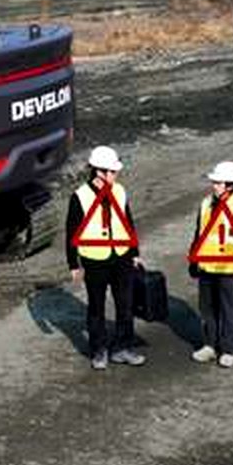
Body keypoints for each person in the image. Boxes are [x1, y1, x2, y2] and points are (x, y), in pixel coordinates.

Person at [66, 145, 145, 370]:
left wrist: (135, 252)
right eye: (113, 171)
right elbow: (72, 232)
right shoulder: (79, 197)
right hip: (95, 260)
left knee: (125, 305)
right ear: (99, 171)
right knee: (96, 308)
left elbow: (128, 222)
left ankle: (122, 348)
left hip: (121, 256)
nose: (116, 175)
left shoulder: (119, 191)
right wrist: (73, 264)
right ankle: (98, 350)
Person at [188, 161, 233, 367]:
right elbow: (199, 232)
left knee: (228, 308)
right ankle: (210, 345)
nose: (214, 185)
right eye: (214, 182)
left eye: (218, 182)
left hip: (228, 267)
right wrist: (194, 258)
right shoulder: (206, 203)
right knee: (207, 307)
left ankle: (228, 349)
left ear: (230, 184)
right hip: (207, 265)